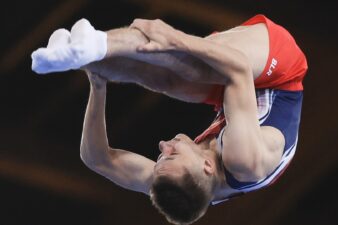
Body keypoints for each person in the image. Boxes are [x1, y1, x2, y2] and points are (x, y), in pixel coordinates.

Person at [31, 14, 307, 225]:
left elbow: (98, 158)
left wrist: (97, 83)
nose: (164, 146)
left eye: (162, 156)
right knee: (187, 62)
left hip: (236, 97)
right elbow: (237, 70)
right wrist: (175, 37)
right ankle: (97, 43)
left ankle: (83, 55)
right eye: (171, 155)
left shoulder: (181, 182)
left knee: (166, 79)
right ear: (208, 167)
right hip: (282, 77)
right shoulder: (243, 161)